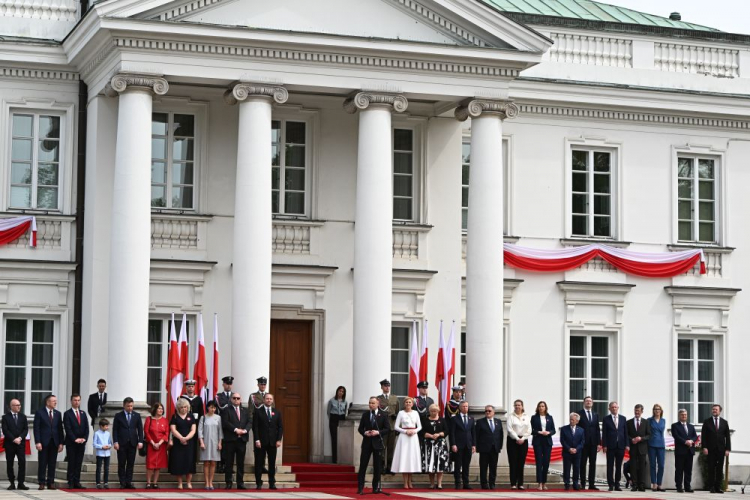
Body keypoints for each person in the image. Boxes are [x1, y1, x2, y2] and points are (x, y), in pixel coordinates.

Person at [357, 397, 391, 495]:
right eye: (370, 403)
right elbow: (360, 429)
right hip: (367, 443)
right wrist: (365, 432)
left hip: (377, 443)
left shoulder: (383, 415)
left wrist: (378, 432)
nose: (371, 405)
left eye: (373, 403)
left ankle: (375, 487)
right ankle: (360, 487)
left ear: (377, 404)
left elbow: (387, 429)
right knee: (363, 466)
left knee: (377, 467)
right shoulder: (365, 414)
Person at [33, 394, 64, 490]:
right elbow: (36, 428)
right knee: (42, 463)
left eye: (56, 400)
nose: (56, 402)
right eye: (53, 401)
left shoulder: (58, 413)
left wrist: (61, 443)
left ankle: (51, 482)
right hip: (43, 442)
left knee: (52, 463)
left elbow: (60, 429)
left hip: (54, 442)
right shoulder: (39, 413)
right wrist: (37, 441)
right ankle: (41, 482)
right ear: (47, 402)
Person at [112, 397, 144, 489]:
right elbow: (115, 430)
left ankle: (128, 482)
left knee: (130, 463)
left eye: (131, 406)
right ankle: (122, 482)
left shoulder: (136, 415)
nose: (130, 408)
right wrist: (116, 441)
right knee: (122, 463)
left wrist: (140, 441)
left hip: (132, 443)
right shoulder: (118, 415)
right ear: (124, 406)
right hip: (121, 443)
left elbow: (140, 430)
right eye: (128, 406)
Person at [253, 393, 283, 490]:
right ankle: (258, 482)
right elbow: (255, 427)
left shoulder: (277, 412)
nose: (269, 400)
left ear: (272, 400)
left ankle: (272, 482)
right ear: (264, 400)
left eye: (270, 399)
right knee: (259, 463)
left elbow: (280, 427)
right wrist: (257, 439)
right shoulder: (258, 411)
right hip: (261, 442)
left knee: (271, 463)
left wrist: (279, 439)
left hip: (273, 442)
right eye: (267, 398)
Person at [221, 392, 251, 489]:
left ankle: (240, 483)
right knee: (229, 462)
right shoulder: (226, 410)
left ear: (240, 399)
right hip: (230, 440)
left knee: (240, 462)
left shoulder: (245, 410)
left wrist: (245, 430)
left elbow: (249, 422)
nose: (236, 400)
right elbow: (225, 423)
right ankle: (228, 482)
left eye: (238, 398)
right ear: (231, 399)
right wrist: (236, 430)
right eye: (234, 398)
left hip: (242, 440)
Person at [391, 397, 422, 488]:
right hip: (404, 436)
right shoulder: (401, 413)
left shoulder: (416, 413)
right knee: (404, 457)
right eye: (406, 402)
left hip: (413, 437)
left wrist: (414, 431)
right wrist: (405, 431)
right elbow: (396, 426)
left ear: (412, 404)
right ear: (404, 404)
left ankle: (410, 481)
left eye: (410, 402)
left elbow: (419, 426)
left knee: (411, 458)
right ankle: (405, 482)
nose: (408, 403)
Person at [701, 404, 731, 494]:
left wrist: (727, 449)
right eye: (713, 409)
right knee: (711, 468)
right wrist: (704, 447)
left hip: (721, 449)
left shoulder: (724, 422)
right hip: (710, 449)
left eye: (716, 409)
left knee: (719, 469)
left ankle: (718, 487)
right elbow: (704, 436)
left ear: (720, 411)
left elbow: (727, 437)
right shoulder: (707, 422)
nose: (714, 411)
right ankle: (712, 487)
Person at [169, 397, 197, 489]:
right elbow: (173, 429)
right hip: (178, 443)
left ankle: (189, 482)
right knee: (179, 462)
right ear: (178, 408)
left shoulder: (191, 416)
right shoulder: (175, 417)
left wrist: (186, 438)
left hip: (189, 443)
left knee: (189, 461)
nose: (184, 409)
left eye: (185, 407)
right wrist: (181, 438)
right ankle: (180, 483)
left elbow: (193, 430)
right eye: (182, 407)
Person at [63, 394, 89, 489]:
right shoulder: (67, 414)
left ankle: (77, 481)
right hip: (71, 443)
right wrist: (75, 439)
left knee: (79, 463)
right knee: (72, 462)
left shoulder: (83, 413)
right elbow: (68, 428)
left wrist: (84, 438)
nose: (77, 402)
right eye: (75, 400)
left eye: (78, 400)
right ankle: (70, 482)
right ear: (71, 401)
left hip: (81, 443)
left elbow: (86, 427)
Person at [1, 399, 29, 490]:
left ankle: (21, 483)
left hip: (20, 444)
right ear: (12, 406)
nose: (19, 406)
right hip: (10, 444)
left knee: (22, 463)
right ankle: (12, 483)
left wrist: (20, 438)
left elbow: (25, 429)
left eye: (19, 405)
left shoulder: (23, 417)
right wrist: (13, 439)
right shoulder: (5, 417)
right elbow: (5, 430)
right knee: (10, 463)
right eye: (17, 405)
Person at [421, 404, 451, 489]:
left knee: (440, 464)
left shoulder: (442, 420)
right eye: (432, 411)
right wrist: (429, 435)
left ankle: (439, 483)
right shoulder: (425, 420)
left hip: (440, 445)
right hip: (429, 445)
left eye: (435, 411)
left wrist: (439, 434)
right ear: (429, 411)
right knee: (431, 464)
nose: (433, 413)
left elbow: (446, 431)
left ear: (438, 411)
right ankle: (431, 483)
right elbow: (421, 432)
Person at [602, 400, 628, 491]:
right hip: (610, 446)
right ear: (609, 409)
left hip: (620, 445)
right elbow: (604, 433)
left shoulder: (623, 418)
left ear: (618, 408)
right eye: (612, 407)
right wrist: (604, 445)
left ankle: (617, 484)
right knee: (610, 465)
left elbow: (625, 432)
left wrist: (627, 444)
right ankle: (610, 484)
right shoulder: (606, 419)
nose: (614, 409)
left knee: (618, 466)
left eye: (615, 407)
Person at [476, 404, 503, 490]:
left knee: (493, 467)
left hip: (494, 448)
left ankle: (492, 483)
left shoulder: (498, 421)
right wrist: (477, 447)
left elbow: (501, 435)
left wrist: (500, 446)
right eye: (486, 411)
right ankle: (484, 484)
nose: (487, 412)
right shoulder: (480, 422)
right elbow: (477, 435)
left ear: (493, 412)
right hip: (484, 448)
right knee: (483, 467)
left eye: (489, 411)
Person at [506, 399, 531, 490]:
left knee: (521, 462)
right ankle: (513, 483)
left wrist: (523, 438)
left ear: (522, 406)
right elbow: (509, 429)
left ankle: (520, 483)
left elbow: (529, 430)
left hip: (523, 441)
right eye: (516, 405)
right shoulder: (510, 416)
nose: (517, 407)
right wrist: (517, 438)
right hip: (512, 441)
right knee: (513, 462)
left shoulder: (526, 416)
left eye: (519, 405)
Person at [577, 396, 601, 490]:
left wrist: (599, 443)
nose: (588, 402)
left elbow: (597, 429)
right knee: (582, 463)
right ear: (584, 402)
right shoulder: (579, 413)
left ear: (592, 403)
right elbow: (577, 428)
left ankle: (592, 484)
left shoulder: (595, 414)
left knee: (592, 464)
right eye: (587, 401)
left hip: (593, 443)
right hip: (583, 443)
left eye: (590, 401)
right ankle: (582, 483)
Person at [450, 400, 475, 490]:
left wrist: (474, 445)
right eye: (463, 406)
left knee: (466, 465)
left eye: (466, 406)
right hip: (458, 445)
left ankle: (466, 483)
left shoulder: (471, 419)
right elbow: (452, 433)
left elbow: (473, 433)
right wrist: (453, 444)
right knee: (458, 465)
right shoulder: (454, 419)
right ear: (460, 408)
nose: (465, 408)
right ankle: (457, 483)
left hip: (468, 445)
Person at [672, 408, 698, 493]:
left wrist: (691, 441)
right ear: (679, 415)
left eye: (685, 415)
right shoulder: (675, 426)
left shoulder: (691, 426)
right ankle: (679, 486)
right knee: (679, 470)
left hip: (689, 451)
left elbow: (695, 436)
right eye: (682, 415)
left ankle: (687, 487)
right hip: (680, 451)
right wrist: (685, 442)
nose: (684, 416)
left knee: (688, 470)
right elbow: (676, 436)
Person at [180, 380, 203, 473]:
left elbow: (201, 413)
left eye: (192, 386)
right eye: (189, 386)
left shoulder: (198, 399)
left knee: (193, 447)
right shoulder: (181, 398)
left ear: (194, 387)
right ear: (186, 388)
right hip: (184, 427)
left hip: (195, 426)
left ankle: (193, 464)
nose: (190, 388)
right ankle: (183, 464)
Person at [199, 400, 223, 490]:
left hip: (215, 442)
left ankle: (211, 482)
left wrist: (220, 442)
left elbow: (220, 431)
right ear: (207, 407)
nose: (212, 409)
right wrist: (201, 442)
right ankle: (206, 482)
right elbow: (200, 431)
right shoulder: (203, 418)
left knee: (213, 462)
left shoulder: (218, 418)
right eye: (211, 407)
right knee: (206, 462)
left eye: (214, 407)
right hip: (205, 442)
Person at [530, 401, 555, 490]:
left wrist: (549, 433)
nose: (541, 408)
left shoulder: (550, 417)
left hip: (547, 441)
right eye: (540, 406)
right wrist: (539, 432)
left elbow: (553, 430)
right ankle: (539, 483)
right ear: (537, 407)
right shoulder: (534, 417)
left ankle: (544, 483)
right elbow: (531, 430)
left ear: (545, 407)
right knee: (539, 462)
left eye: (543, 406)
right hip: (538, 441)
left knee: (546, 463)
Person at [376, 379, 399, 474]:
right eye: (385, 386)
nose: (387, 387)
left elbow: (397, 412)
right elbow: (376, 413)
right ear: (381, 387)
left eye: (388, 385)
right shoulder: (378, 399)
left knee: (391, 448)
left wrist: (397, 424)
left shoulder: (394, 398)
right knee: (382, 447)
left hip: (392, 426)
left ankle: (390, 467)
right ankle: (381, 466)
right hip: (382, 427)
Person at [627, 403, 651, 492]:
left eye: (638, 411)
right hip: (633, 447)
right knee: (633, 466)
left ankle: (641, 485)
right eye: (635, 410)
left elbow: (649, 435)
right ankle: (634, 484)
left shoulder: (646, 422)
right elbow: (626, 435)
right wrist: (631, 439)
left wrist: (641, 438)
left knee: (642, 466)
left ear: (642, 411)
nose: (636, 412)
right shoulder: (628, 422)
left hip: (642, 448)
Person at [144, 402, 169, 489]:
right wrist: (153, 443)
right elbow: (146, 432)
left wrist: (160, 443)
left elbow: (166, 433)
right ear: (154, 409)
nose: (161, 410)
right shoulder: (149, 419)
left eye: (162, 409)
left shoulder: (165, 420)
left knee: (158, 465)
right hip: (151, 445)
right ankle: (148, 482)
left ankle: (155, 483)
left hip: (161, 446)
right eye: (159, 408)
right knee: (150, 465)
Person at [560, 412, 585, 490]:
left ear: (577, 421)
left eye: (573, 420)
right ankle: (567, 484)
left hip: (577, 453)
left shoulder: (581, 430)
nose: (571, 421)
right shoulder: (564, 429)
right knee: (567, 469)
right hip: (567, 452)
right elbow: (562, 440)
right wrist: (569, 449)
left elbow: (582, 441)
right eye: (570, 419)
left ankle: (575, 484)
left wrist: (576, 449)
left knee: (576, 469)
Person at [216, 375, 234, 474]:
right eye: (227, 384)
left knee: (231, 447)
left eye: (230, 384)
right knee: (222, 446)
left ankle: (229, 466)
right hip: (222, 424)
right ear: (223, 384)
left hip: (232, 425)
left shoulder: (235, 396)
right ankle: (221, 465)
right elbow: (220, 408)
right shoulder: (219, 396)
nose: (228, 386)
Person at [327, 386, 347, 464]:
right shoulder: (331, 401)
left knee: (341, 439)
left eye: (342, 391)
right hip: (333, 419)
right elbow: (328, 412)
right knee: (334, 439)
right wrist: (332, 419)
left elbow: (345, 411)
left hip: (341, 419)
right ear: (337, 391)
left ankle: (341, 458)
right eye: (339, 391)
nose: (341, 393)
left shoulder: (345, 402)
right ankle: (334, 459)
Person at [648, 403, 667, 491]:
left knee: (661, 465)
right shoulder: (649, 420)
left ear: (661, 411)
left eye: (658, 409)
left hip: (661, 444)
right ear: (653, 411)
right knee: (652, 465)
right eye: (655, 409)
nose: (657, 411)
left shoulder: (663, 420)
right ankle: (654, 483)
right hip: (652, 444)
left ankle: (659, 483)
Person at [92, 419, 112, 489]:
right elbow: (94, 444)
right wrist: (101, 447)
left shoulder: (108, 433)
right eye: (106, 426)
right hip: (100, 453)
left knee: (106, 468)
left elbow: (110, 442)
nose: (107, 427)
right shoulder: (97, 433)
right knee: (99, 468)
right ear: (101, 426)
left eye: (107, 426)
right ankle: (98, 483)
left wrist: (109, 446)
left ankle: (106, 482)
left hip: (107, 453)